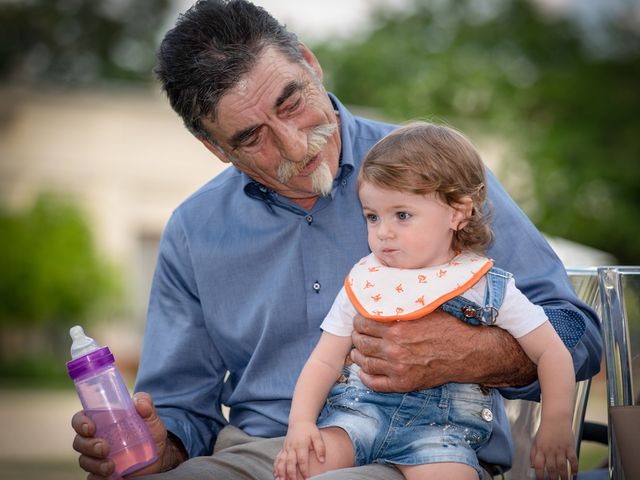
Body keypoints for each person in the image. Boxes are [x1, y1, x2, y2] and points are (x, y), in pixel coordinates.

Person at [70, 1, 601, 479]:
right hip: (259, 454)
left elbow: (577, 331)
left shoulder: (436, 172)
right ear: (215, 148)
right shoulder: (192, 230)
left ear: (310, 64)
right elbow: (182, 412)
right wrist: (159, 446)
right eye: (253, 137)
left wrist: (469, 354)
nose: (296, 144)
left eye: (291, 101)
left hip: (423, 455)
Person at [273, 122, 578, 480]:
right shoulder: (367, 279)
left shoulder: (485, 285)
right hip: (358, 418)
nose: (383, 232)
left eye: (402, 215)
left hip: (440, 435)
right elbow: (325, 359)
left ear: (457, 213)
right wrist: (301, 423)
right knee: (299, 468)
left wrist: (556, 422)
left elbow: (552, 352)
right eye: (372, 216)